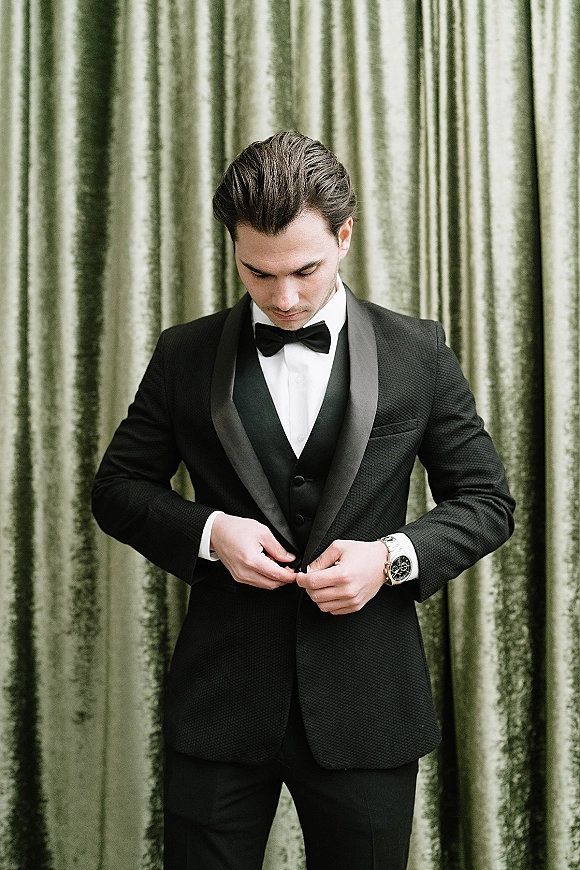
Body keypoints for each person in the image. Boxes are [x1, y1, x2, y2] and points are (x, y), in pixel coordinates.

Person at [92, 131, 515, 870]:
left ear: (344, 237)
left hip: (369, 706)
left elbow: (486, 500)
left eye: (305, 271)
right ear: (233, 247)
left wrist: (390, 559)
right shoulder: (183, 354)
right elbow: (117, 490)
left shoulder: (420, 351)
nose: (284, 298)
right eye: (259, 273)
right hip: (221, 703)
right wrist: (211, 531)